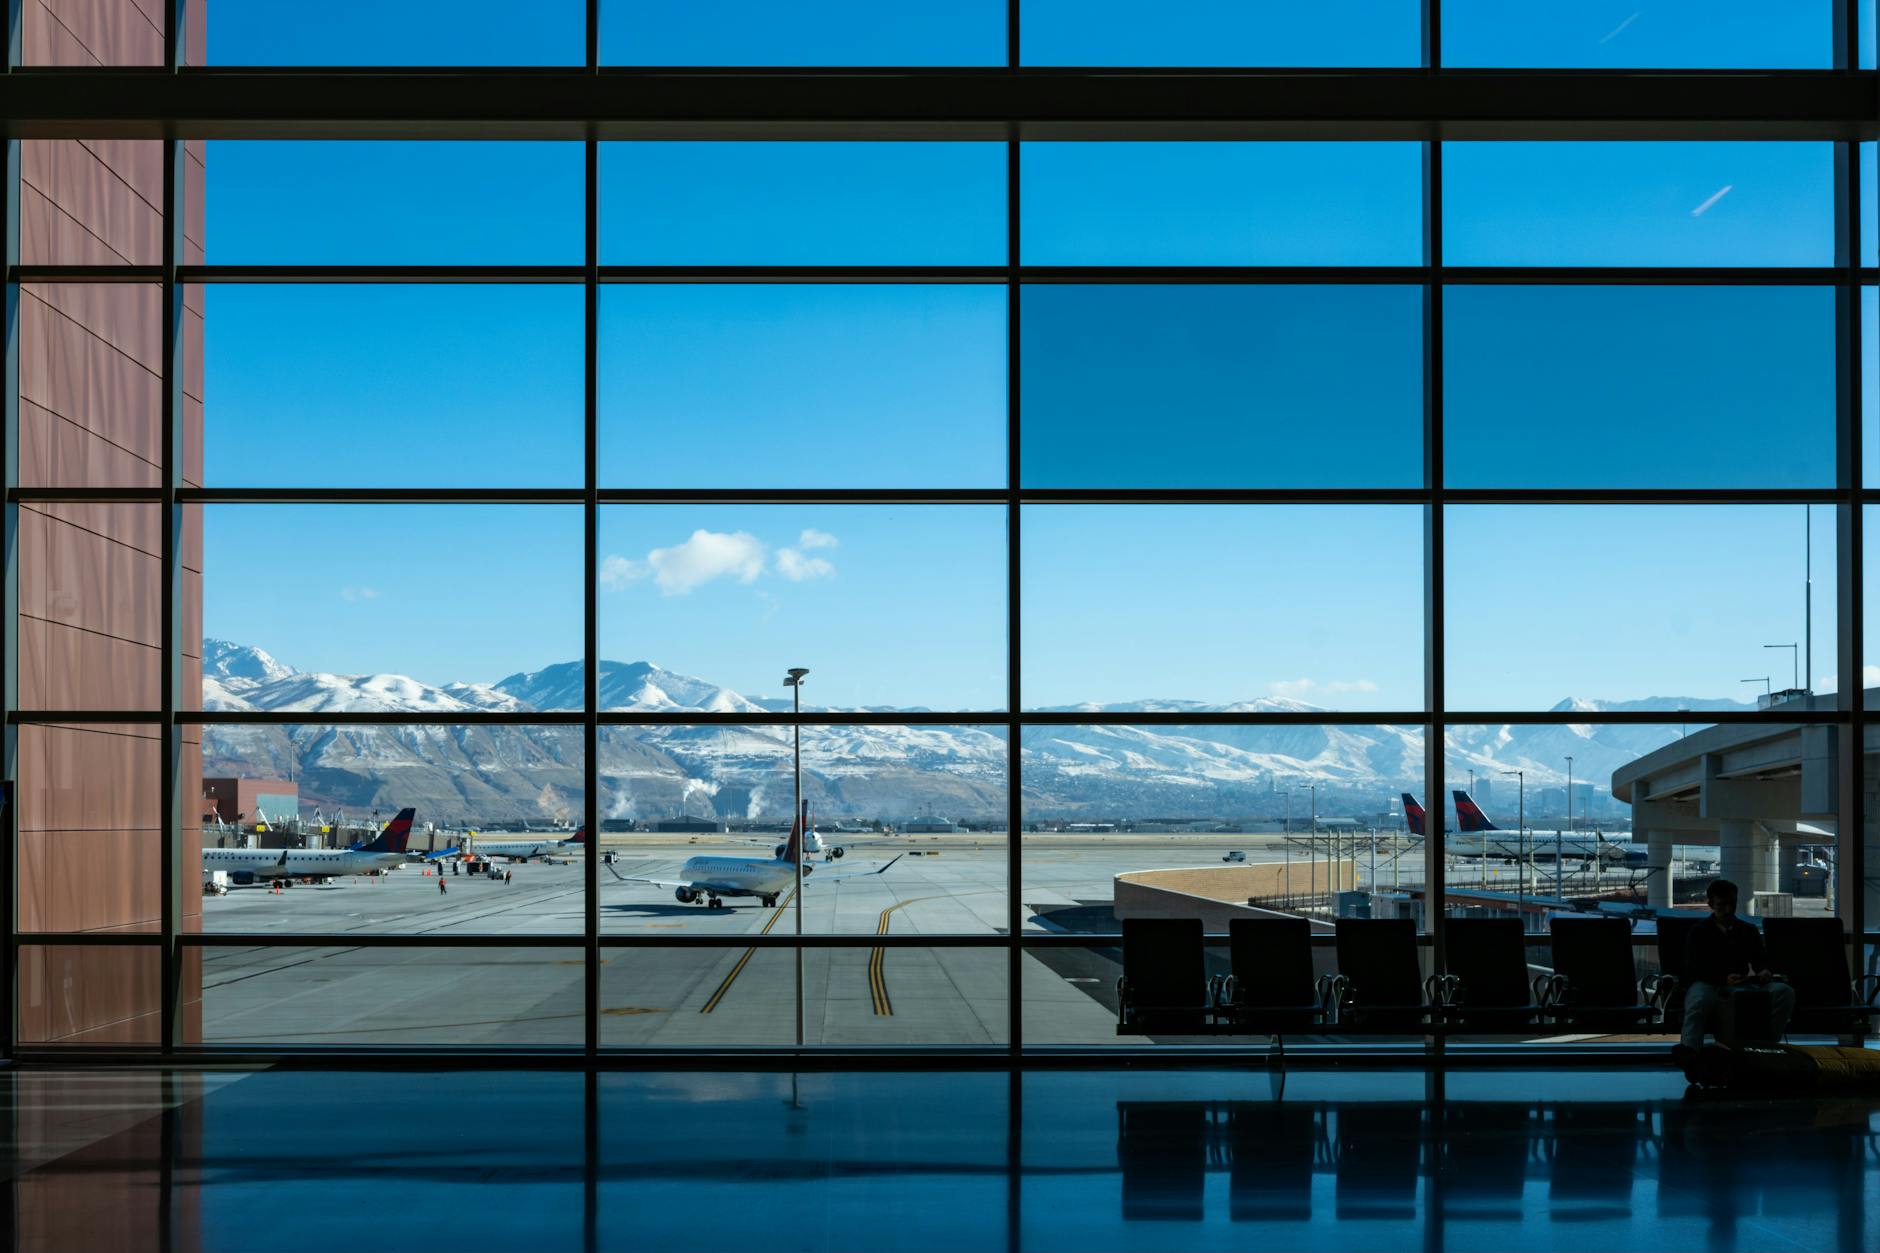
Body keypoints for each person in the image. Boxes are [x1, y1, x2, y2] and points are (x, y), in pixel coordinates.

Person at [1677, 878, 1794, 1055]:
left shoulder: (1745, 930)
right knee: (1698, 1003)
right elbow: (1693, 968)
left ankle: (1765, 1046)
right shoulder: (1700, 932)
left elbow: (1759, 958)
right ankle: (1691, 1054)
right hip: (1710, 982)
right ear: (1711, 904)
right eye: (1722, 905)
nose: (1728, 909)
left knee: (1785, 992)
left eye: (1731, 904)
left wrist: (1764, 970)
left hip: (1735, 982)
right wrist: (1723, 978)